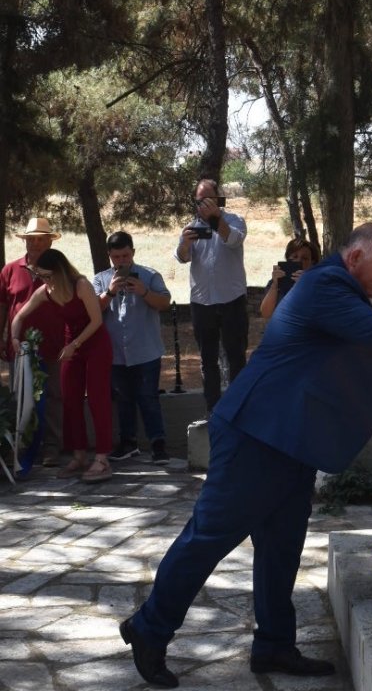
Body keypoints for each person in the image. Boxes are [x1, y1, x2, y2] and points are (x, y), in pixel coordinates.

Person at [119, 222, 372, 690]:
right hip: (257, 433)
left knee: (281, 544)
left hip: (292, 439)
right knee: (209, 537)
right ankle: (149, 628)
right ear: (355, 257)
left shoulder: (344, 290)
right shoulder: (325, 285)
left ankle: (274, 642)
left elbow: (364, 349)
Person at [11, 247, 114, 482]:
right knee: (70, 399)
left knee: (98, 399)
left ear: (60, 271)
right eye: (42, 276)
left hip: (94, 343)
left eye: (48, 275)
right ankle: (78, 455)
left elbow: (97, 320)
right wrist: (16, 338)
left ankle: (101, 458)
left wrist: (75, 345)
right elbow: (19, 316)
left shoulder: (81, 285)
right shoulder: (46, 291)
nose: (45, 281)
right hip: (72, 345)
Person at [93, 231, 172, 464]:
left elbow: (165, 303)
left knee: (148, 397)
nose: (122, 262)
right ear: (109, 256)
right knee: (123, 398)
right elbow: (93, 309)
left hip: (146, 350)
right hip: (116, 352)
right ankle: (128, 443)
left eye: (126, 256)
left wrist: (144, 291)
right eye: (116, 257)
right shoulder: (100, 279)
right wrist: (110, 292)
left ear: (133, 253)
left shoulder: (149, 275)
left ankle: (158, 444)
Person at [176, 178, 248, 412]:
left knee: (235, 356)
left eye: (209, 199)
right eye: (200, 200)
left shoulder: (234, 221)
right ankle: (214, 410)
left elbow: (233, 240)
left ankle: (237, 409)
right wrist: (184, 244)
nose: (204, 205)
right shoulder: (191, 227)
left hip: (232, 300)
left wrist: (216, 219)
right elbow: (183, 257)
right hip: (202, 302)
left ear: (218, 199)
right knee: (208, 360)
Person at [0, 215, 67, 466]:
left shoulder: (60, 271)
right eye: (31, 240)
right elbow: (3, 307)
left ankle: (51, 446)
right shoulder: (10, 270)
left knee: (54, 396)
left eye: (41, 240)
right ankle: (23, 445)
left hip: (55, 344)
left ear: (50, 242)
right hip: (20, 346)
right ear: (25, 242)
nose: (35, 244)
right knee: (21, 395)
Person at [260, 237, 319, 322]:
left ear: (312, 262)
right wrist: (274, 286)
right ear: (288, 259)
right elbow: (266, 314)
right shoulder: (278, 282)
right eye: (295, 257)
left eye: (305, 258)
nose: (299, 261)